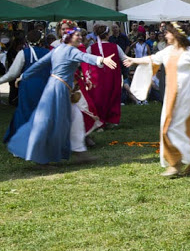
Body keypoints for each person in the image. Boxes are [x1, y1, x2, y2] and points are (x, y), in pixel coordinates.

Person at [7, 28, 117, 164]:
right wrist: (101, 59)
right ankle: (41, 158)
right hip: (57, 90)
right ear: (69, 38)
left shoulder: (58, 49)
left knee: (76, 117)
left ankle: (80, 151)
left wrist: (24, 76)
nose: (80, 37)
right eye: (77, 35)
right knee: (51, 123)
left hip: (61, 89)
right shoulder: (69, 50)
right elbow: (86, 57)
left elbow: (39, 64)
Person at [124, 23, 190, 177]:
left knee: (173, 128)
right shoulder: (167, 51)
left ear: (176, 34)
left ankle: (176, 164)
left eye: (167, 33)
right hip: (170, 94)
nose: (165, 35)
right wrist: (133, 60)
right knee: (172, 128)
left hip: (185, 94)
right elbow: (152, 59)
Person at [0, 30, 51, 142]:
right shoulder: (49, 53)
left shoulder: (24, 53)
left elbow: (13, 73)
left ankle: (20, 139)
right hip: (45, 85)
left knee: (25, 111)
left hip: (28, 85)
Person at [86, 25, 128, 126]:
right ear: (108, 35)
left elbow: (84, 59)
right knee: (113, 96)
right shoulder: (115, 47)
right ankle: (112, 120)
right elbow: (124, 58)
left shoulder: (91, 48)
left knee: (98, 98)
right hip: (112, 77)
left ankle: (99, 120)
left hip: (97, 77)